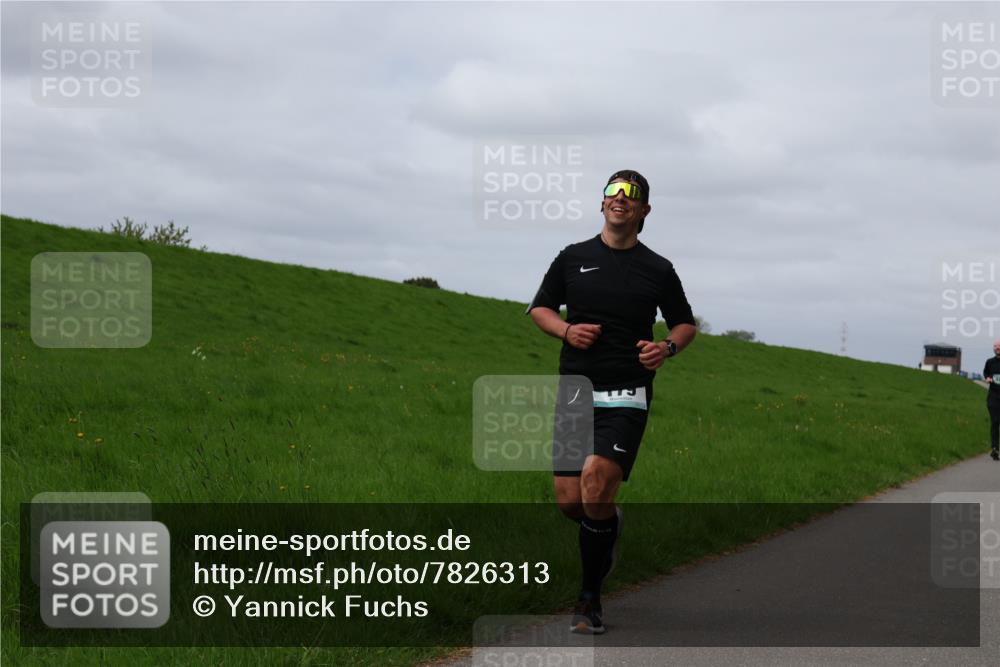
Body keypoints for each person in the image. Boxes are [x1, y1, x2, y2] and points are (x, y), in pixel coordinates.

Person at [526, 169, 697, 634]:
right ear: (602, 204)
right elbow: (539, 308)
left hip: (628, 390)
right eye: (613, 191)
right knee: (570, 502)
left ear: (644, 210)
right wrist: (565, 329)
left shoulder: (658, 269)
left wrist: (667, 348)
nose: (621, 197)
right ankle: (609, 525)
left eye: (632, 193)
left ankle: (588, 601)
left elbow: (685, 323)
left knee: (597, 483)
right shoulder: (572, 258)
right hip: (576, 389)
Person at [984, 340, 1000, 461]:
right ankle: (995, 448)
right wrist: (988, 378)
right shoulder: (990, 362)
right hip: (993, 397)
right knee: (995, 422)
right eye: (995, 346)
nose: (997, 348)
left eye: (999, 346)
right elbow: (986, 373)